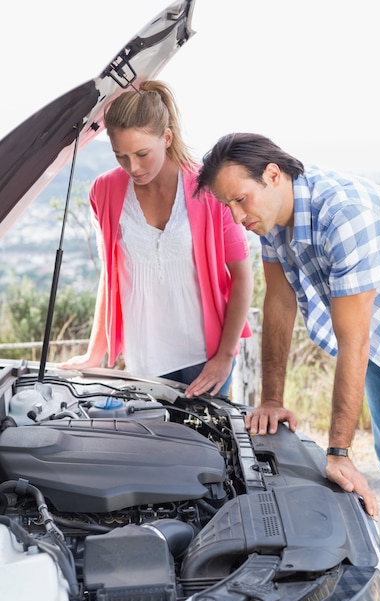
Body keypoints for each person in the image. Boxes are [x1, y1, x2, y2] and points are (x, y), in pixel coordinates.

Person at [194, 131, 380, 601]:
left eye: (240, 199)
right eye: (227, 207)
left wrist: (337, 451)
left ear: (273, 175)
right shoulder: (272, 217)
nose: (237, 216)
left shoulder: (345, 214)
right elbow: (278, 303)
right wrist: (272, 399)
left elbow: (351, 341)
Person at [59, 82, 253, 398]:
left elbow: (243, 276)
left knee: (204, 446)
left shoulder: (209, 188)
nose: (132, 167)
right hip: (145, 357)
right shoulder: (104, 192)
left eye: (142, 154)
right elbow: (112, 275)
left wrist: (224, 357)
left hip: (205, 357)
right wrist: (96, 352)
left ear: (166, 137)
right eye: (120, 156)